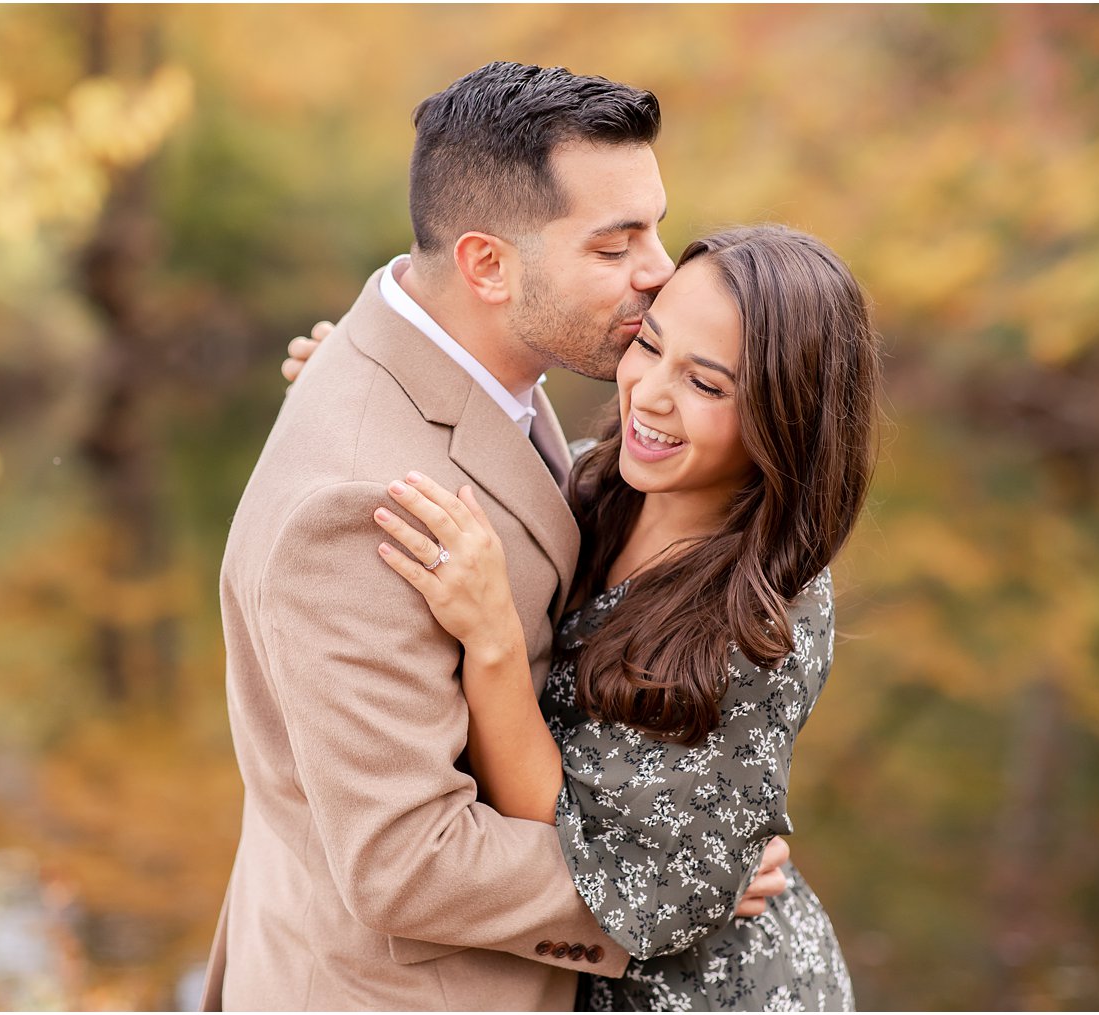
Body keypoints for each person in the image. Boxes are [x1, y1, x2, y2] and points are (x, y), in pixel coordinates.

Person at [201, 62, 790, 1012]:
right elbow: (407, 860)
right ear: (485, 263)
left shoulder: (454, 360)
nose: (659, 268)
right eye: (615, 244)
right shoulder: (360, 510)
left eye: (655, 224)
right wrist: (677, 888)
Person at [357, 224, 880, 1009]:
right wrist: (351, 381)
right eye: (649, 345)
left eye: (706, 385)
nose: (651, 395)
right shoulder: (602, 481)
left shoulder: (765, 620)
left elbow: (592, 848)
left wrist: (494, 637)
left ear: (787, 421)